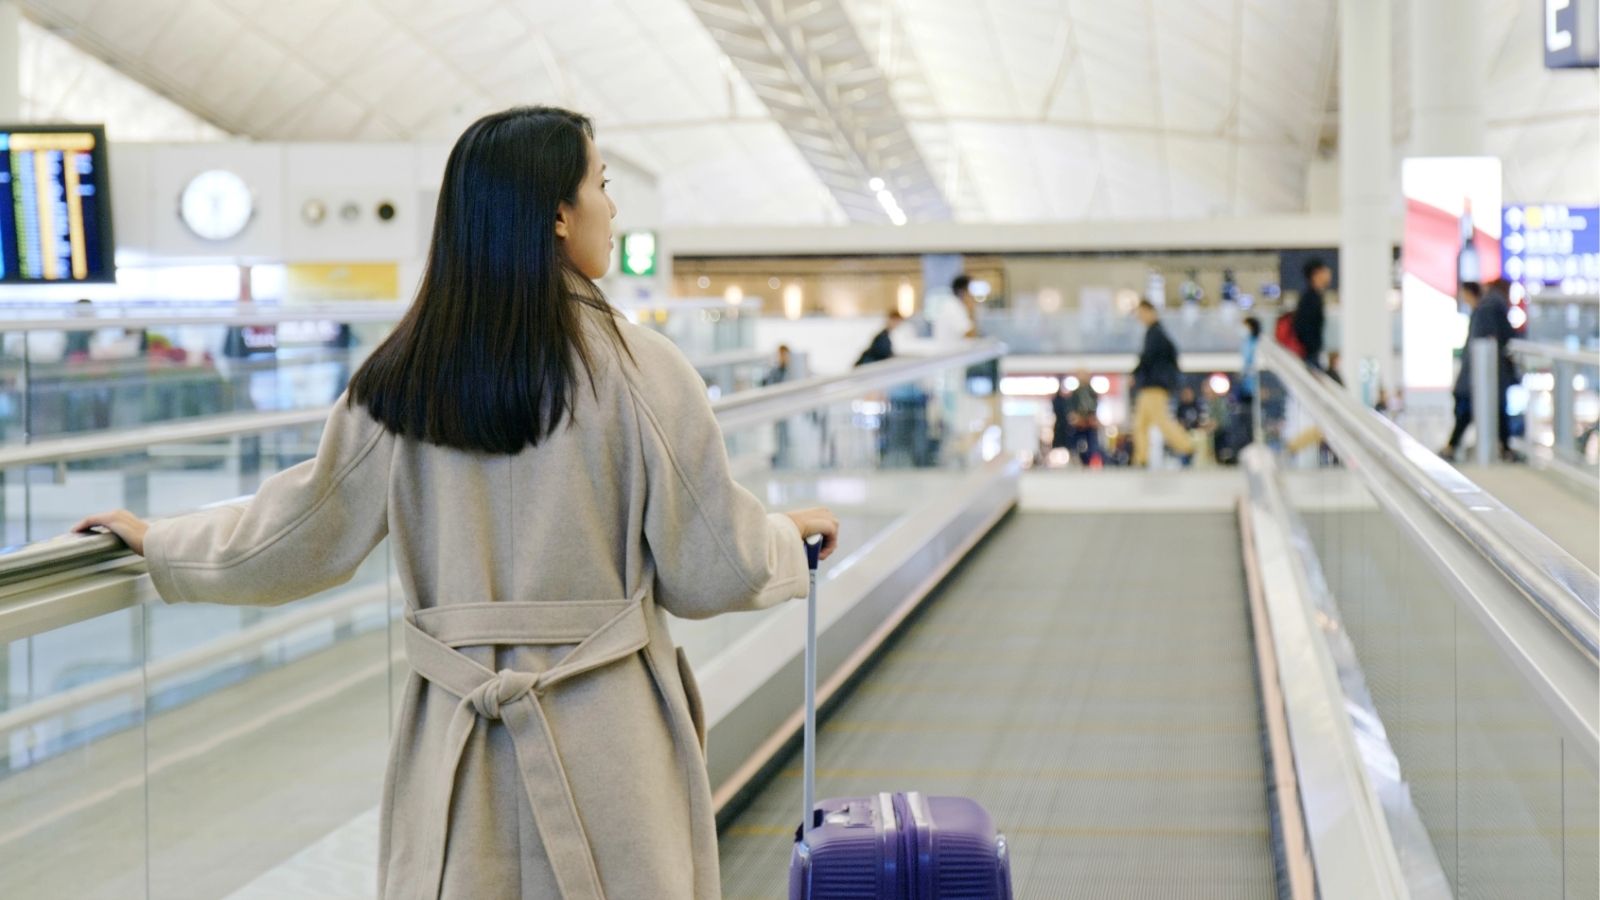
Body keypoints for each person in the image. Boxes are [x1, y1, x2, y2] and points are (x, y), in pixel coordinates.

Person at [72, 106, 840, 900]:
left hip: (455, 744)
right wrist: (786, 540)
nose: (612, 208)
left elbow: (298, 535)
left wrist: (159, 542)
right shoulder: (646, 373)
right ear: (556, 212)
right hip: (609, 749)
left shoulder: (400, 379)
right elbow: (712, 568)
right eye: (601, 185)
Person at [1441, 280, 1519, 463]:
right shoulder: (1493, 307)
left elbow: (1489, 342)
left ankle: (1454, 447)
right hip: (1487, 376)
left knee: (1469, 411)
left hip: (1482, 377)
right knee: (1492, 411)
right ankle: (1503, 449)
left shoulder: (1486, 309)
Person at [1130, 300, 1195, 466]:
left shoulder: (1156, 334)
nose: (1139, 317)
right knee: (1141, 423)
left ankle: (1187, 447)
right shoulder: (1156, 333)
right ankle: (1141, 457)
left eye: (1141, 313)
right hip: (1151, 386)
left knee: (1161, 420)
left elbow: (1147, 359)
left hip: (1155, 386)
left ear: (1149, 312)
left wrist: (1136, 374)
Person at [1051, 372, 1101, 465]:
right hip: (1078, 425)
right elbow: (1071, 410)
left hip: (1089, 425)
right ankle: (1077, 460)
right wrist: (1076, 418)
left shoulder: (1091, 393)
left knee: (1092, 445)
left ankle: (1091, 460)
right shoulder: (1075, 393)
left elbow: (1094, 407)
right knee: (1074, 445)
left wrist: (1091, 418)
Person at [1293, 259, 1330, 369]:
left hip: (1311, 353)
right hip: (1310, 355)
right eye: (1324, 271)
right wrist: (1312, 348)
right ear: (1316, 274)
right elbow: (1303, 327)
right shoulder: (1310, 298)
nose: (1328, 274)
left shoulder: (1312, 297)